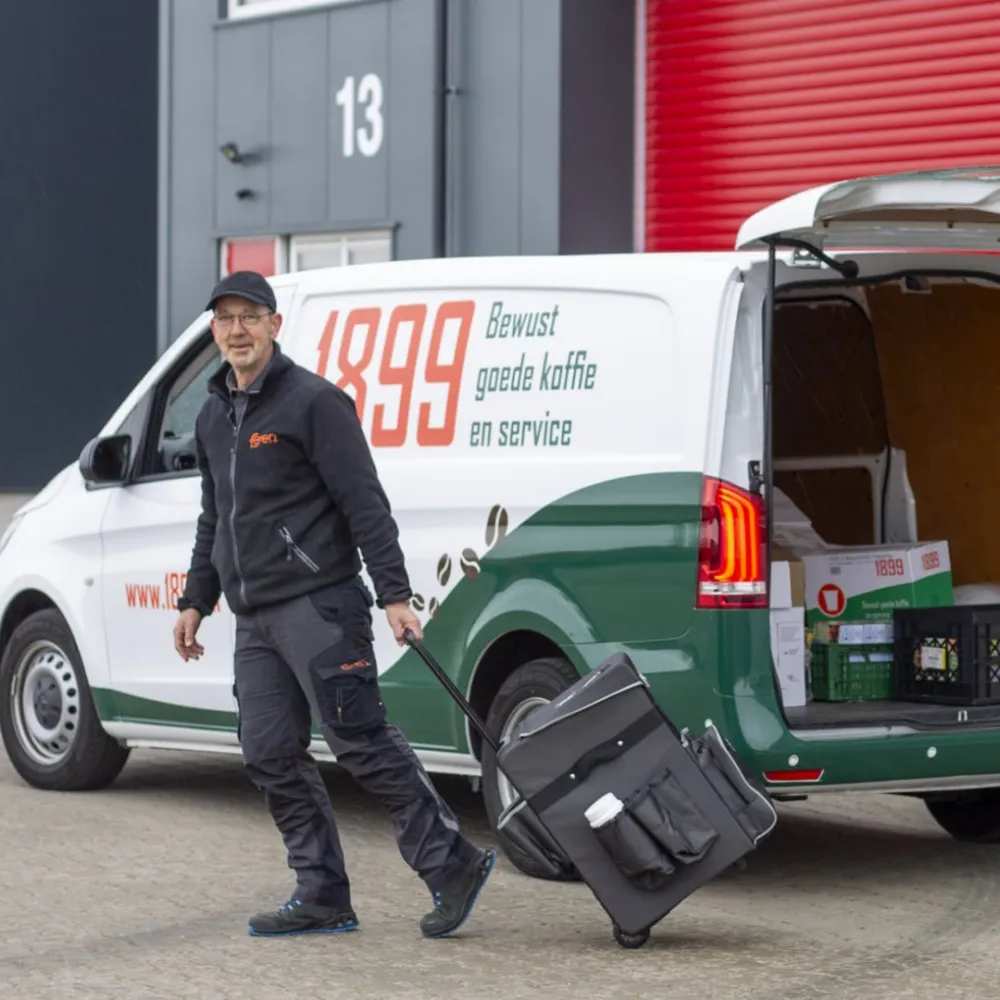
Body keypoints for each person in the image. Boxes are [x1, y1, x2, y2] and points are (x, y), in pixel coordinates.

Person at [172, 270, 496, 939]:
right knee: (266, 751)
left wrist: (395, 594)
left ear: (274, 325)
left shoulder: (315, 403)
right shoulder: (212, 414)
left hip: (320, 607)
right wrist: (196, 598)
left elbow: (364, 503)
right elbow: (216, 517)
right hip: (255, 619)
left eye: (250, 317)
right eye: (225, 319)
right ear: (213, 330)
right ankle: (321, 892)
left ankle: (452, 863)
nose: (237, 330)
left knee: (360, 742)